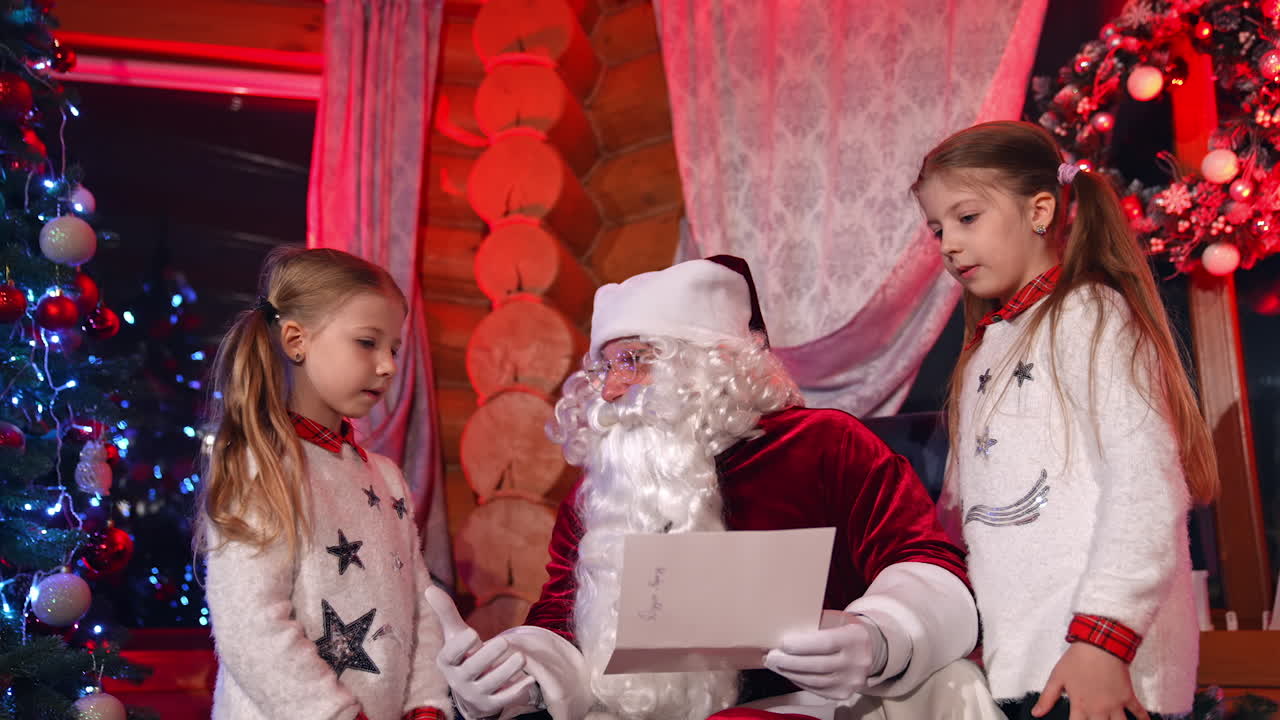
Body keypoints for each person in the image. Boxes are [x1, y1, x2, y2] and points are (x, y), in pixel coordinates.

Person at [427, 256, 1001, 720]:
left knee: (953, 683)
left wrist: (879, 637)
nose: (609, 390)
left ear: (707, 365)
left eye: (634, 360)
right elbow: (562, 618)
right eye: (603, 368)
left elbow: (924, 558)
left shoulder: (823, 445)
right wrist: (518, 678)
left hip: (830, 704)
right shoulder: (601, 489)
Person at [913, 121, 1218, 720]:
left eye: (966, 218)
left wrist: (1104, 639)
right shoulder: (987, 347)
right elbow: (972, 517)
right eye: (936, 228)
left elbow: (1146, 488)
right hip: (1024, 671)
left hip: (1104, 668)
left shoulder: (1090, 315)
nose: (948, 243)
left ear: (1040, 211)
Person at [196, 247, 450, 720]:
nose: (389, 365)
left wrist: (427, 704)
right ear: (296, 340)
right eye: (367, 342)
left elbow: (421, 607)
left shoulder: (386, 478)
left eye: (393, 348)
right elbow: (250, 625)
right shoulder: (262, 469)